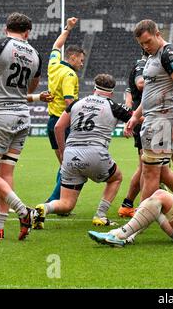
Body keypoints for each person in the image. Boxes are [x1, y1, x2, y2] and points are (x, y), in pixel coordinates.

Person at [33, 74, 131, 229]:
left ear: (94, 89)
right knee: (116, 178)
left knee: (66, 204)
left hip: (71, 154)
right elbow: (137, 119)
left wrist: (63, 152)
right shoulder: (113, 106)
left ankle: (45, 208)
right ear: (111, 93)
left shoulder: (77, 103)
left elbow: (58, 127)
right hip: (96, 153)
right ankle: (100, 215)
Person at [0, 13, 42, 240]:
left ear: (6, 28)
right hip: (23, 118)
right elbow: (32, 87)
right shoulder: (35, 53)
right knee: (6, 172)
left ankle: (23, 210)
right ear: (27, 32)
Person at [123, 19, 173, 202]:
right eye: (142, 44)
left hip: (162, 121)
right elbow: (150, 91)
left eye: (148, 41)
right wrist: (135, 116)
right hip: (153, 119)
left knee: (150, 173)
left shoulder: (169, 55)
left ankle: (140, 218)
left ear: (158, 34)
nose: (146, 46)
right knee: (162, 172)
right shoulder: (152, 56)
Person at [45, 17, 85, 209]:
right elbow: (70, 101)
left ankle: (58, 203)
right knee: (70, 168)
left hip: (52, 123)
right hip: (64, 125)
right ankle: (51, 203)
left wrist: (68, 29)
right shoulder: (70, 75)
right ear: (73, 57)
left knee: (64, 165)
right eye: (81, 60)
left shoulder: (54, 65)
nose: (82, 64)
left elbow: (56, 44)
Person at [117, 53, 147, 218]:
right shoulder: (142, 67)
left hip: (148, 119)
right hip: (146, 120)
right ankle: (143, 209)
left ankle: (128, 204)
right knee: (149, 168)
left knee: (146, 167)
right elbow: (139, 85)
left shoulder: (145, 67)